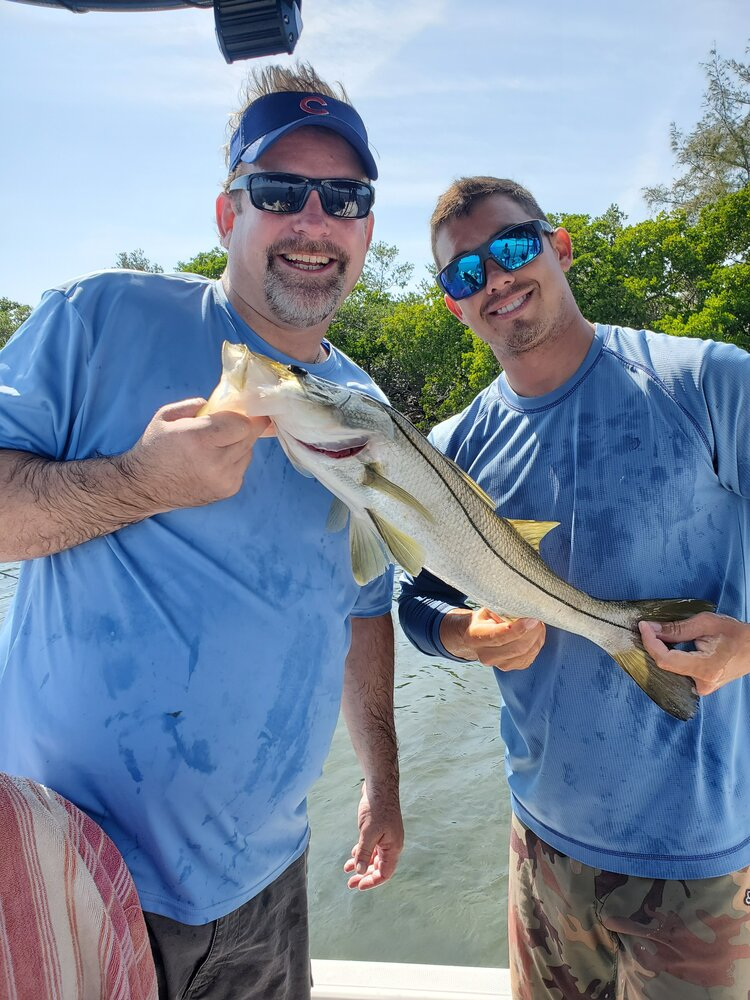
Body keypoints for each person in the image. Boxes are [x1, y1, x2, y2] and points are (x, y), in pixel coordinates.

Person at [0, 62, 403, 1000]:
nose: (313, 218)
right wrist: (140, 482)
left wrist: (383, 781)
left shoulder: (367, 408)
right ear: (229, 216)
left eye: (343, 197)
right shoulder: (100, 318)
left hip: (266, 882)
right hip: (71, 877)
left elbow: (361, 606)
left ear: (367, 228)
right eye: (277, 191)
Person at [398, 175, 750, 999]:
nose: (495, 278)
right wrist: (461, 636)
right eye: (464, 274)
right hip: (543, 850)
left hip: (698, 859)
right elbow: (408, 599)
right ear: (454, 305)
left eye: (513, 247)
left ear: (558, 246)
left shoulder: (707, 382)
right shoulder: (453, 450)